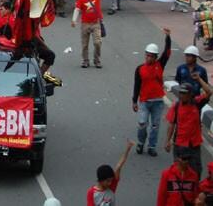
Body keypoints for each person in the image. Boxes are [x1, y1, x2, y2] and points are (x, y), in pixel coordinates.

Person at [132, 28, 171, 156]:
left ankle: (152, 146)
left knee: (155, 125)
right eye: (147, 55)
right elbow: (137, 85)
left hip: (158, 102)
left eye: (151, 56)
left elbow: (167, 53)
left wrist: (168, 37)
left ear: (155, 57)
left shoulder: (160, 65)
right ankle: (140, 143)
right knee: (142, 124)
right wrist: (134, 101)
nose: (148, 58)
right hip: (144, 101)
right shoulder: (139, 69)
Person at [166, 74, 213, 178]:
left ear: (190, 94)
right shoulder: (176, 106)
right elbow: (172, 124)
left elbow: (209, 92)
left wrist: (199, 79)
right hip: (180, 145)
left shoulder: (197, 103)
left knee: (196, 172)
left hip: (194, 145)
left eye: (184, 93)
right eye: (181, 93)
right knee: (178, 173)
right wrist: (168, 141)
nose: (181, 95)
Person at [86, 140, 133, 206]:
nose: (110, 183)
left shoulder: (111, 187)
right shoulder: (91, 193)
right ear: (101, 180)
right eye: (108, 181)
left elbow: (119, 166)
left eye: (111, 180)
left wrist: (127, 149)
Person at [72, 0, 104, 68]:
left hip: (96, 23)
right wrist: (74, 20)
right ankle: (85, 61)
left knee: (97, 42)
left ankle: (97, 60)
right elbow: (77, 9)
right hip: (85, 24)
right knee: (84, 44)